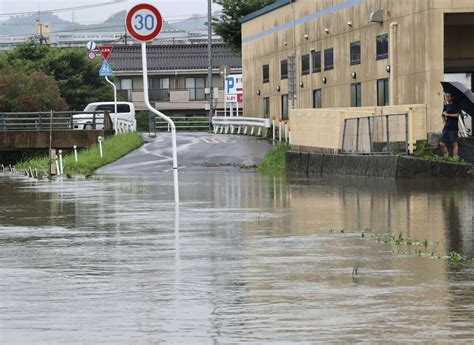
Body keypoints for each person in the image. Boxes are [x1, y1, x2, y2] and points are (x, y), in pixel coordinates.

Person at [440, 92, 461, 157]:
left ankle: (455, 159)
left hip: (453, 127)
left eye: (448, 96)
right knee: (441, 143)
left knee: (454, 143)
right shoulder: (446, 106)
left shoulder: (456, 105)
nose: (447, 98)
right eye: (446, 96)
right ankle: (447, 158)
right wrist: (444, 117)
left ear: (452, 97)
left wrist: (448, 114)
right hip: (446, 127)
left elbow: (457, 115)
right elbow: (443, 115)